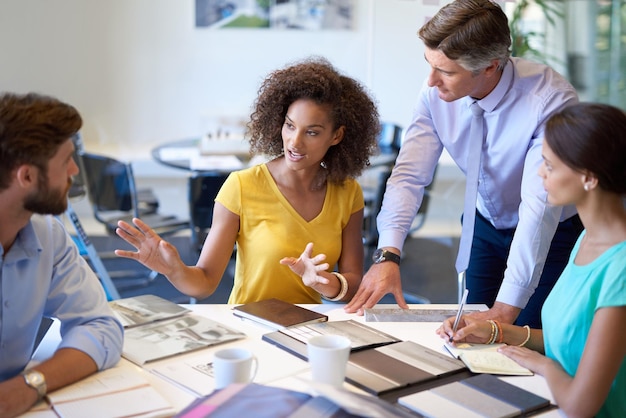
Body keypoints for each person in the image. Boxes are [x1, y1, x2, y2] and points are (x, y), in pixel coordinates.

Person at [345, 0, 583, 328]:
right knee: (468, 333)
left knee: (523, 336)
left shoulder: (548, 102)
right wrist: (388, 253)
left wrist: (505, 311)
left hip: (552, 230)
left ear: (490, 66)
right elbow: (409, 176)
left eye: (446, 71)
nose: (430, 81)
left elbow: (537, 209)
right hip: (483, 223)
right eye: (429, 64)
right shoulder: (434, 93)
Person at [115, 57, 380, 304]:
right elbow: (205, 282)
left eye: (312, 132)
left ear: (336, 136)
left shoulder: (348, 193)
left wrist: (324, 283)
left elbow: (353, 283)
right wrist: (174, 270)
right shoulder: (241, 186)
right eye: (290, 125)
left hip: (309, 332)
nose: (295, 142)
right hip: (250, 326)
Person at [439, 102, 626, 418]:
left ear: (589, 178)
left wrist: (543, 364)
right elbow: (574, 341)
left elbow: (582, 406)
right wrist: (497, 332)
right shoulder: (587, 239)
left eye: (550, 166)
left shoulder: (619, 266)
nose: (540, 172)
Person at [0, 93, 124, 417]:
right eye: (65, 160)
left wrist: (29, 386)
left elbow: (100, 326)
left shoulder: (48, 234)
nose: (74, 171)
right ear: (26, 176)